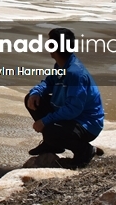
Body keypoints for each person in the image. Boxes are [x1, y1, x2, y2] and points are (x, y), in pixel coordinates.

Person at [25, 27, 104, 168]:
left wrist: (45, 121)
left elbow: (73, 109)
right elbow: (48, 82)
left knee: (50, 130)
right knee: (31, 99)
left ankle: (85, 150)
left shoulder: (75, 73)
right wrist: (35, 92)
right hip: (71, 116)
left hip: (86, 124)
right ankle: (52, 145)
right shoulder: (61, 65)